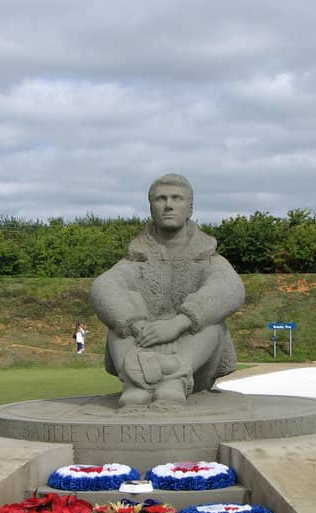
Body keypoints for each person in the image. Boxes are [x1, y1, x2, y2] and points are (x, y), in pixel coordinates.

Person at [90, 174, 245, 411]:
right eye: (161, 199)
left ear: (190, 208)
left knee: (210, 317)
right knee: (123, 309)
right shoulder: (136, 261)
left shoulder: (207, 259)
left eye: (177, 198)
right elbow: (104, 287)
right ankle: (138, 381)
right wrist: (137, 324)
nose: (169, 205)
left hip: (194, 358)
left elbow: (230, 287)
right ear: (152, 208)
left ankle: (175, 379)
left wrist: (180, 323)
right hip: (143, 347)